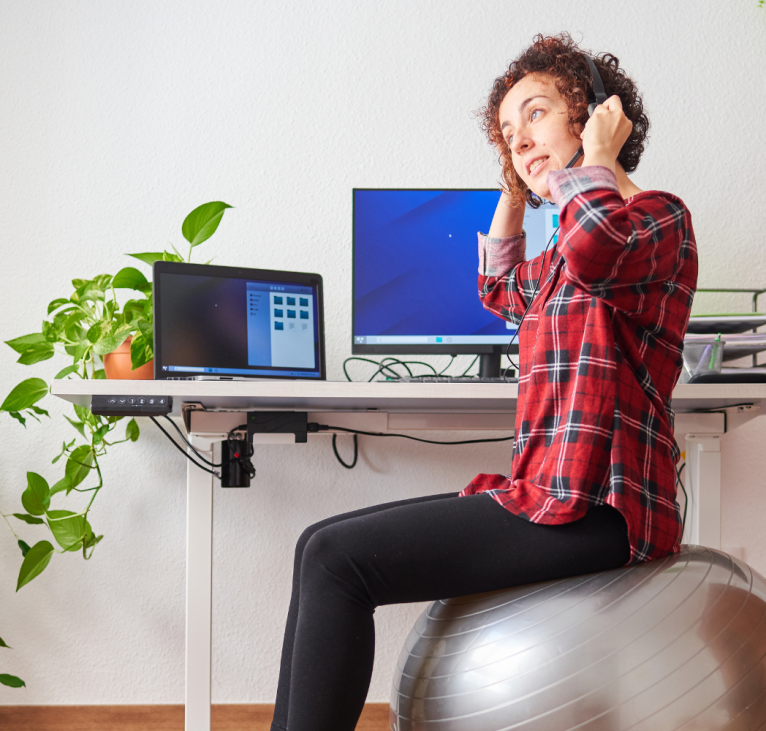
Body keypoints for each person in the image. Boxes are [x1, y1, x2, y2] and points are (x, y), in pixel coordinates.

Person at [269, 32, 697, 731]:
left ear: (592, 112)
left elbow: (592, 250)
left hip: (604, 509)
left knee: (337, 561)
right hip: (551, 495)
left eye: (535, 114)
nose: (520, 138)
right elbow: (499, 286)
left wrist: (594, 159)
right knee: (318, 542)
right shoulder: (561, 252)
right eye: (505, 132)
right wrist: (513, 180)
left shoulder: (656, 219)